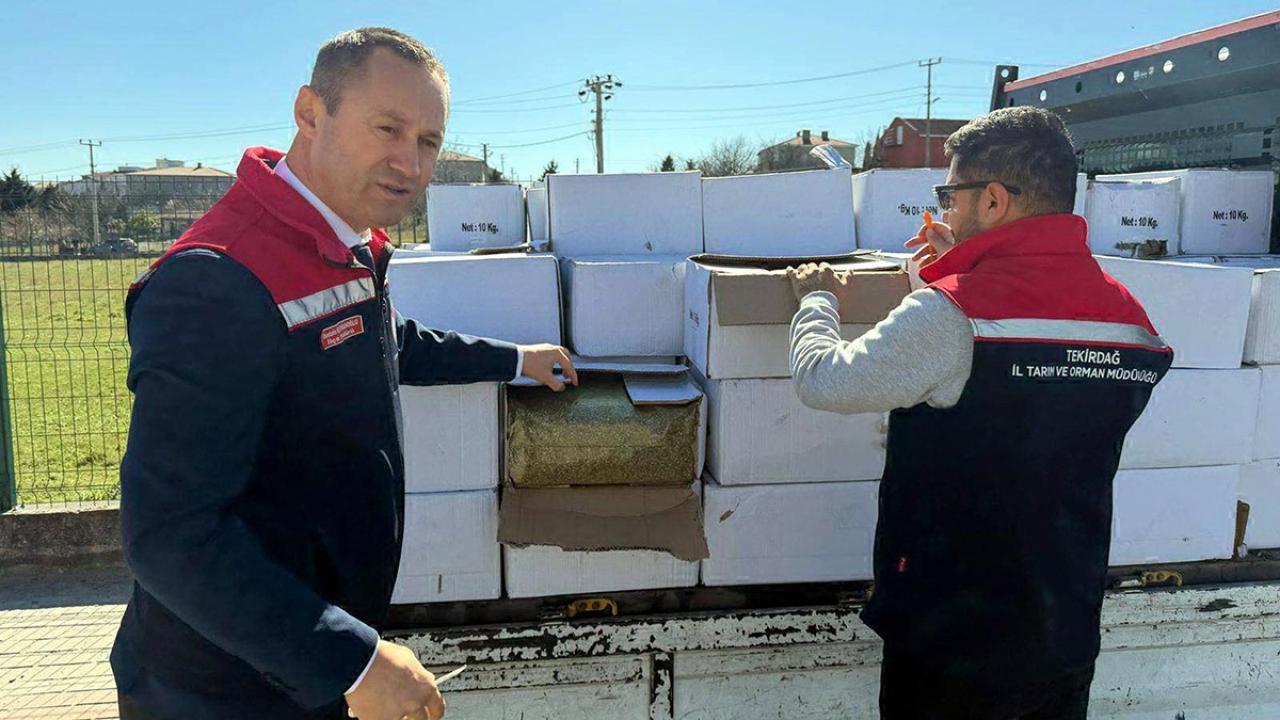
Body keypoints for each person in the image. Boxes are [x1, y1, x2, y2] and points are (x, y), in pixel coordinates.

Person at [110, 27, 575, 720]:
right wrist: (347, 660)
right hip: (225, 686)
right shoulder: (215, 280)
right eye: (387, 128)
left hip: (299, 659)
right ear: (309, 113)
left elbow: (388, 343)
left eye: (427, 142)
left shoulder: (340, 242)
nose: (410, 162)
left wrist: (514, 359)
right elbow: (170, 536)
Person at [788, 107, 1174, 719]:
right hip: (1063, 627)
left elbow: (825, 380)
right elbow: (1032, 393)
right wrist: (961, 265)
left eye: (951, 194)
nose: (945, 210)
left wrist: (814, 298)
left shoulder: (951, 317)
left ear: (993, 200)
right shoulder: (1129, 318)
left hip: (953, 641)